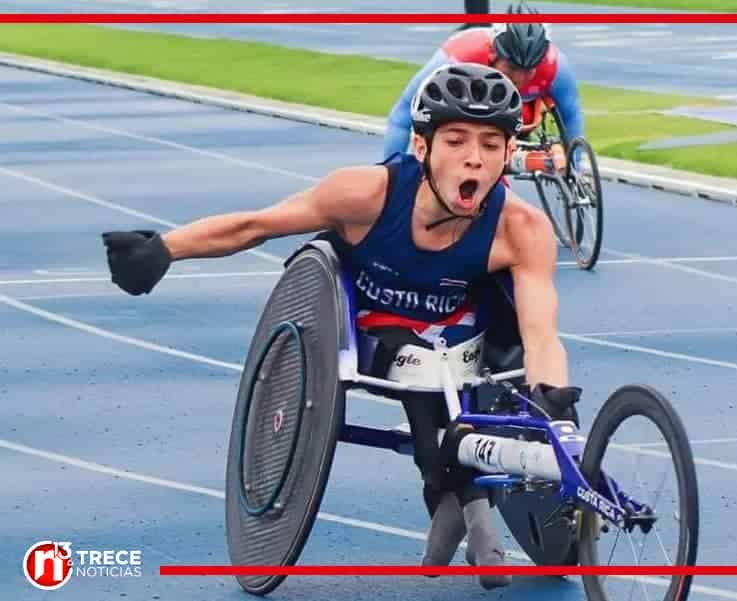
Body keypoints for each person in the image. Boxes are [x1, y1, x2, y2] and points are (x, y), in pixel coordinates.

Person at [100, 63, 580, 590]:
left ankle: (458, 488)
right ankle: (459, 493)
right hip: (372, 327)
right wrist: (164, 249)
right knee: (422, 378)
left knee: (455, 379)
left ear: (508, 154)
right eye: (456, 141)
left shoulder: (521, 228)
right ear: (421, 146)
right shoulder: (366, 195)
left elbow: (540, 332)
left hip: (463, 333)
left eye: (491, 144)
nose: (474, 158)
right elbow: (255, 226)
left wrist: (553, 407)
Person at [384, 1, 584, 171]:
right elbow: (402, 115)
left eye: (528, 70)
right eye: (512, 67)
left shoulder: (556, 67)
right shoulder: (458, 57)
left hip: (523, 109)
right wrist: (392, 174)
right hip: (466, 98)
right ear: (493, 53)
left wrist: (575, 168)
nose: (519, 77)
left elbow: (571, 116)